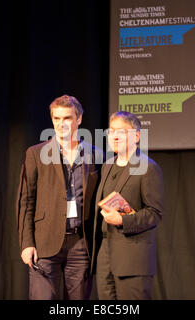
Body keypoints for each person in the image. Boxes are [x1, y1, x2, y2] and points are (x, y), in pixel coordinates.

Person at [16, 95, 102, 300]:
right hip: (45, 243)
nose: (61, 124)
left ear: (78, 119)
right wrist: (27, 243)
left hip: (81, 243)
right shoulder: (36, 153)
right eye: (57, 119)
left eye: (67, 118)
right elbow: (25, 201)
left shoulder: (95, 154)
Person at [92, 111, 164, 300]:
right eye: (111, 131)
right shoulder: (107, 165)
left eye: (121, 132)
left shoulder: (148, 167)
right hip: (105, 254)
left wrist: (123, 220)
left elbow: (155, 213)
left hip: (133, 257)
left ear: (137, 136)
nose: (114, 136)